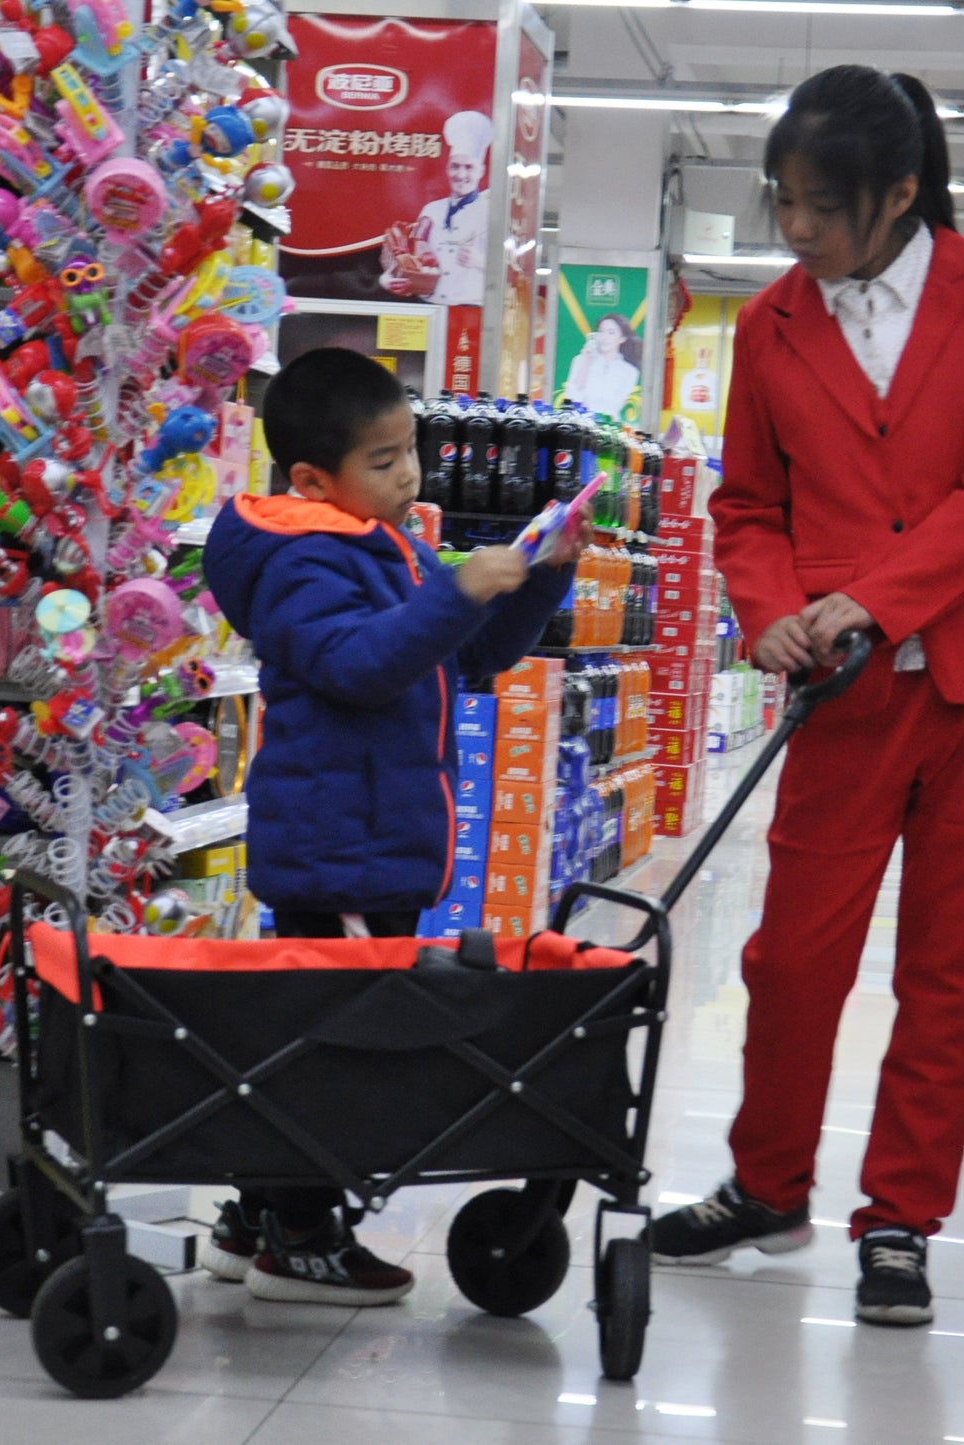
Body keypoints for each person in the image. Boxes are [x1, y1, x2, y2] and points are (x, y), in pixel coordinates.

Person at [649, 66, 964, 1327]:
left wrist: (881, 594)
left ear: (898, 194)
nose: (794, 232)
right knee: (792, 958)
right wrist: (766, 606)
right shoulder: (770, 326)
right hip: (837, 693)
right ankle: (766, 1184)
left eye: (820, 208)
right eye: (780, 201)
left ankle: (898, 1219)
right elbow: (746, 506)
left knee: (952, 968)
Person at [200, 347, 585, 1305]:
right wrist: (454, 590)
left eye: (410, 449)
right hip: (337, 856)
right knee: (333, 1051)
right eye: (383, 459)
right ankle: (298, 1233)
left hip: (381, 848)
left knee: (323, 1038)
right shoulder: (302, 560)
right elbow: (359, 665)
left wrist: (536, 577)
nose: (408, 473)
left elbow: (468, 657)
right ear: (309, 478)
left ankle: (255, 1212)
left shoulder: (386, 542)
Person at [381, 109, 492, 306]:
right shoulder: (431, 211)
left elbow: (513, 273)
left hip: (471, 310)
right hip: (428, 310)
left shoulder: (492, 214)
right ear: (447, 168)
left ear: (481, 171)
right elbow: (412, 260)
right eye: (455, 166)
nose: (460, 174)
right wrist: (388, 279)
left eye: (469, 167)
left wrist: (479, 261)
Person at [564, 313, 641, 419]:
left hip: (608, 426)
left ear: (622, 338)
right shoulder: (580, 360)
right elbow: (572, 396)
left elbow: (614, 405)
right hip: (579, 424)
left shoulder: (630, 372)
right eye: (601, 331)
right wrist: (586, 362)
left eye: (611, 333)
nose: (604, 337)